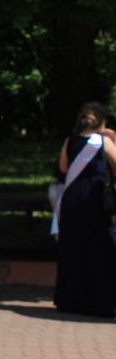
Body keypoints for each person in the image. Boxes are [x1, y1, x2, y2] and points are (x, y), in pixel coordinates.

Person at [52, 101, 116, 317]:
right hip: (95, 199)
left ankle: (70, 300)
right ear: (102, 122)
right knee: (98, 248)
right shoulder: (104, 142)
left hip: (72, 199)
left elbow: (63, 168)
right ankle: (98, 302)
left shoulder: (69, 141)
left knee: (73, 248)